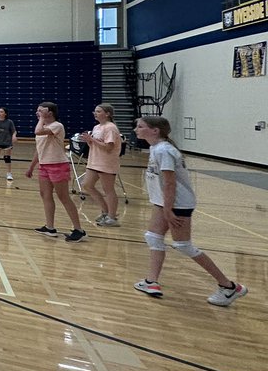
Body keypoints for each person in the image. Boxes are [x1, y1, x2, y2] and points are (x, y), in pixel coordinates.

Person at [133, 116, 247, 305]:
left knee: (183, 245)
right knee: (153, 237)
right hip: (164, 203)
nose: (136, 129)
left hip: (177, 204)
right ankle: (151, 282)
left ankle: (229, 286)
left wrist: (169, 210)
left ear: (155, 130)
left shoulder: (163, 150)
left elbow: (170, 183)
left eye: (140, 126)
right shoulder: (156, 148)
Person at [25, 101, 85, 241]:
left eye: (40, 110)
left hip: (58, 165)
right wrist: (32, 166)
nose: (37, 113)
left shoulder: (57, 126)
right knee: (45, 195)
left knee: (63, 197)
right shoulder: (43, 126)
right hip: (44, 165)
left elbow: (37, 131)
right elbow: (39, 149)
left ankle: (79, 230)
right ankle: (50, 227)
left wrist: (41, 118)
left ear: (49, 113)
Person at [80, 103, 122, 226]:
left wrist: (92, 140)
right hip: (94, 161)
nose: (95, 113)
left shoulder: (110, 128)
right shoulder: (97, 127)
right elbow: (95, 145)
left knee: (108, 189)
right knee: (87, 185)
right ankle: (105, 210)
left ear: (107, 114)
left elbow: (109, 147)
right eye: (95, 111)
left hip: (106, 162)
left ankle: (112, 217)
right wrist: (89, 141)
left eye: (98, 111)